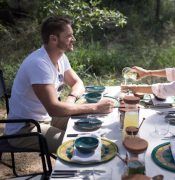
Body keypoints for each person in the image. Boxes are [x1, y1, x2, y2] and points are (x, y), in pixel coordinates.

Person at [5, 16, 114, 153]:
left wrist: (71, 98)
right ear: (53, 39)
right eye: (68, 36)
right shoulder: (38, 64)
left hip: (46, 118)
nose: (73, 39)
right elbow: (54, 108)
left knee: (92, 123)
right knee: (78, 146)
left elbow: (78, 83)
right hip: (25, 129)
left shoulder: (60, 57)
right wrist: (95, 107)